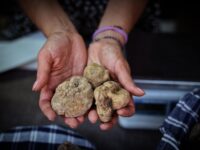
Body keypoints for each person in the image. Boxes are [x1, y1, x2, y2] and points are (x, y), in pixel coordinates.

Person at [17, 0, 154, 130]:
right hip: (46, 15)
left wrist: (110, 38)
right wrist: (60, 31)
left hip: (125, 16)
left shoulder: (100, 87)